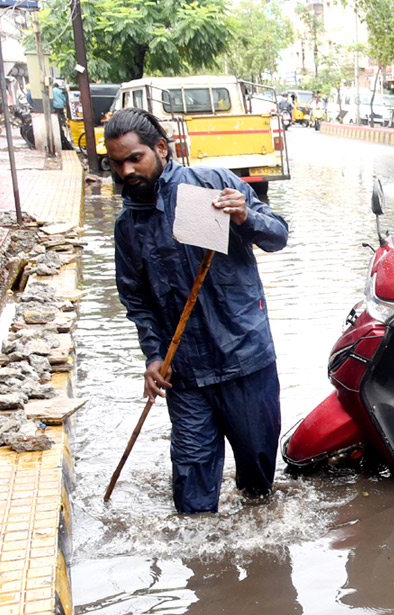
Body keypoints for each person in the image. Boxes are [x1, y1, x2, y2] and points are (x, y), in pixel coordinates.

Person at [104, 108, 290, 514]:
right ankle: (204, 576)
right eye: (117, 163)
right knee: (191, 499)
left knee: (258, 484)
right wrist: (154, 355)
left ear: (160, 148)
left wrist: (244, 216)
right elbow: (136, 301)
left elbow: (278, 235)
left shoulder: (211, 184)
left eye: (135, 158)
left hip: (244, 358)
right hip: (184, 373)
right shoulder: (127, 227)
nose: (127, 170)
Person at [51, 80, 74, 150]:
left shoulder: (51, 91)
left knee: (58, 115)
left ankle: (60, 123)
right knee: (62, 114)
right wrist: (64, 103)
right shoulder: (59, 91)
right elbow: (64, 98)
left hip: (55, 106)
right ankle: (64, 122)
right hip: (61, 105)